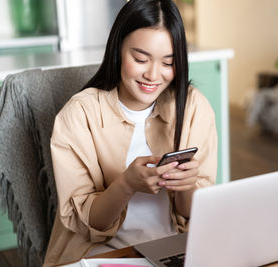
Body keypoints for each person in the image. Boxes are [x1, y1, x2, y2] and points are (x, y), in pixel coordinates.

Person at [43, 0, 217, 266]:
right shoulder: (79, 115)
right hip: (101, 255)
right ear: (117, 50)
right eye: (140, 59)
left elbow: (191, 213)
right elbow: (89, 223)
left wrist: (187, 185)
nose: (153, 75)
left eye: (168, 63)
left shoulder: (193, 106)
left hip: (172, 250)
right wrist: (126, 185)